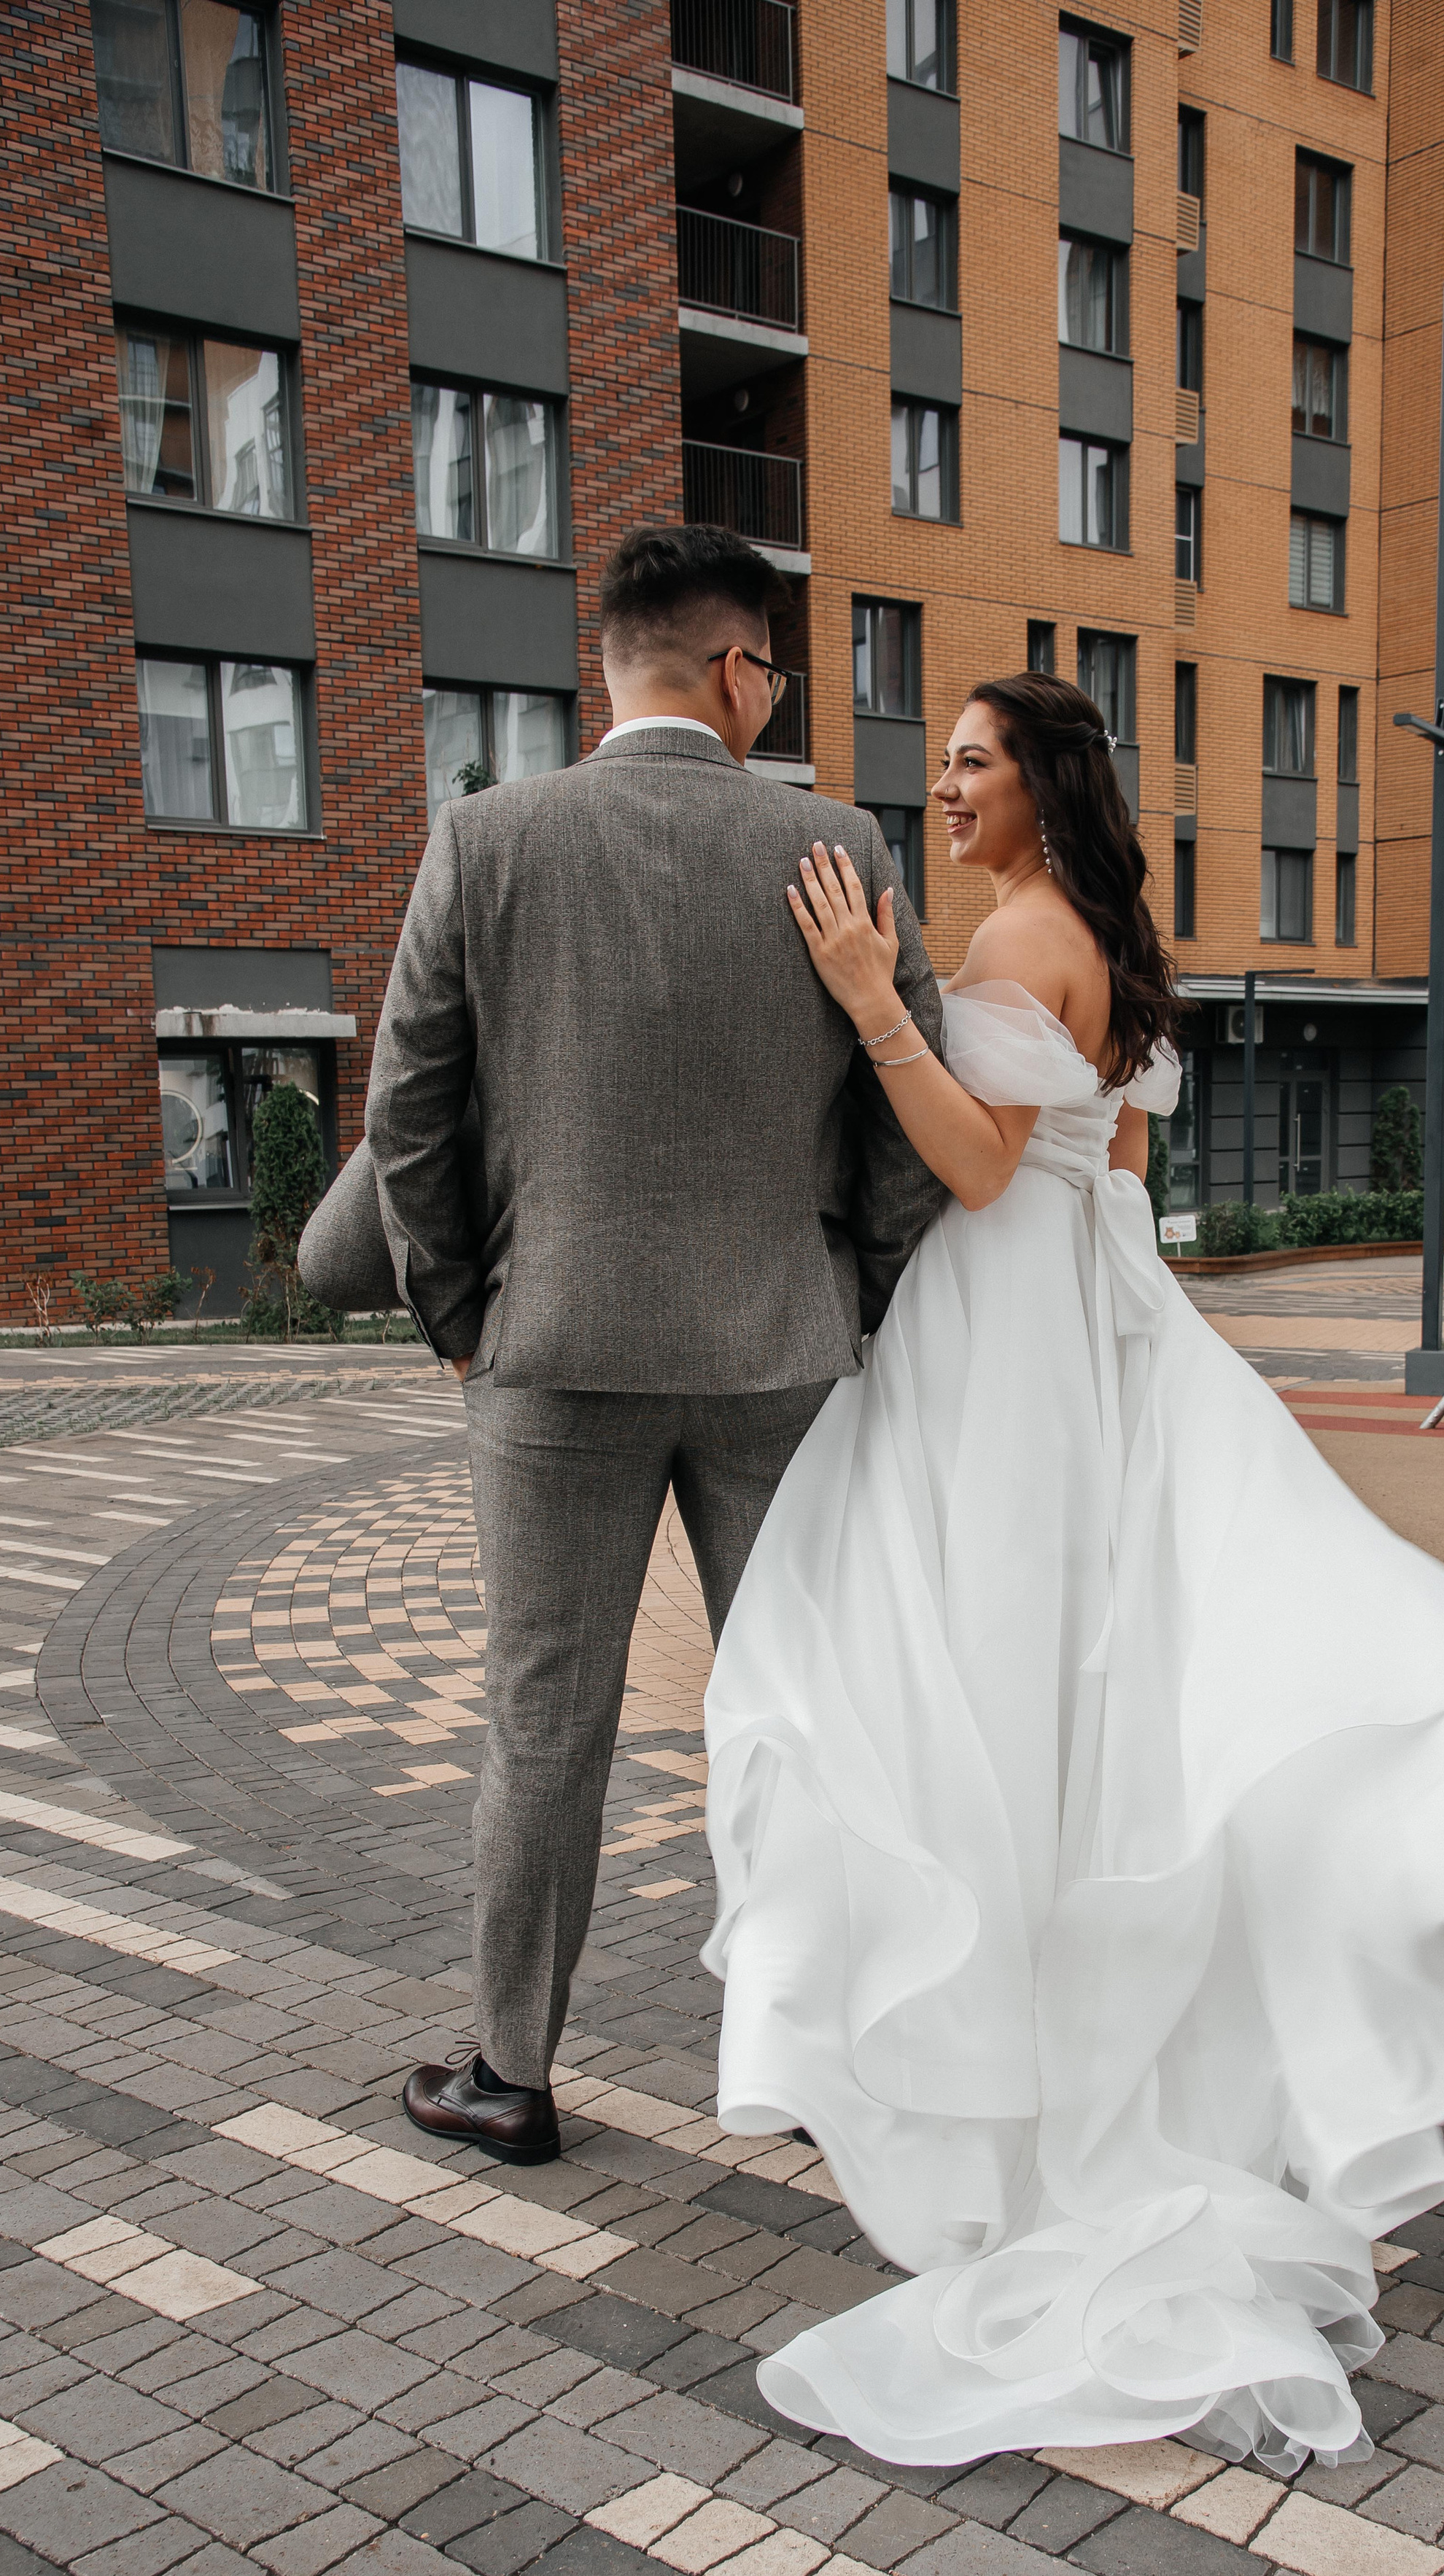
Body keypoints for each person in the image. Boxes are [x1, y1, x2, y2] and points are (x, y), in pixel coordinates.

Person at [701, 673, 1444, 2474]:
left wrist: (862, 1001)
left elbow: (979, 1171)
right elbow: (1108, 1168)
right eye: (948, 760)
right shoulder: (1097, 940)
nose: (945, 784)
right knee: (1052, 1692)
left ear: (1040, 786)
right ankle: (1051, 2073)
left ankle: (1012, 2110)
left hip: (995, 1341)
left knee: (952, 1683)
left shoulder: (1006, 948)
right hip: (1071, 1334)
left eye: (970, 760)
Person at [328, 525, 945, 2166]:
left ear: (610, 664)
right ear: (739, 667)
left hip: (550, 1355)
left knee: (546, 1725)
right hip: (778, 1356)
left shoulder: (486, 838)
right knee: (801, 1716)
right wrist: (856, 1290)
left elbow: (407, 1116)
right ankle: (814, 2071)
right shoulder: (838, 846)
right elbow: (905, 1117)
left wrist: (462, 1315)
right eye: (777, 669)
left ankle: (510, 2074)